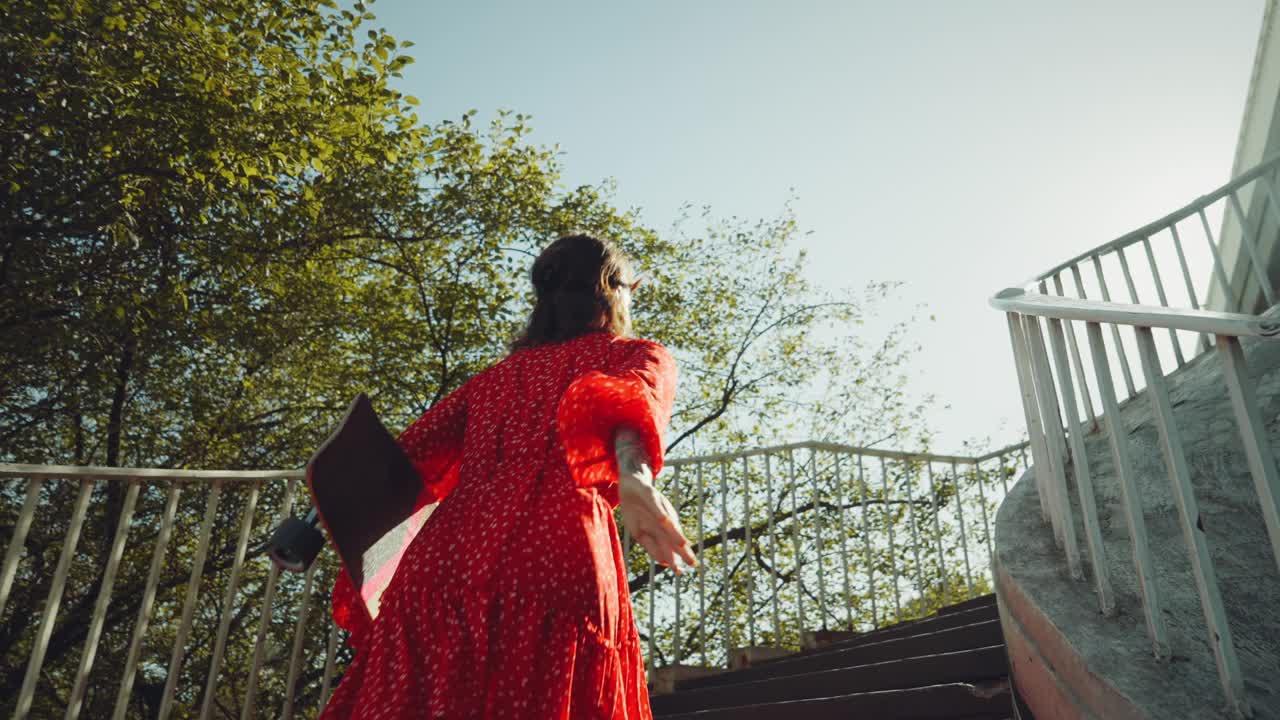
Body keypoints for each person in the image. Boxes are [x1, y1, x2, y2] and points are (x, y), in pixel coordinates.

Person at [319, 234, 699, 719]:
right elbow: (624, 401)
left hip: (447, 560)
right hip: (557, 548)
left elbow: (398, 459)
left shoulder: (491, 380)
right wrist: (636, 476)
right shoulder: (636, 355)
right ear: (613, 289)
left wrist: (312, 522)